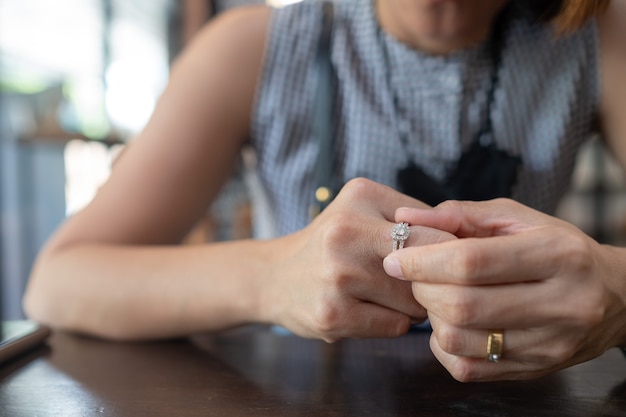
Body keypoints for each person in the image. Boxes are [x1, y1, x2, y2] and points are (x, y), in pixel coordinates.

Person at [23, 0, 626, 383]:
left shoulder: (599, 43)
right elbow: (58, 282)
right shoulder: (255, 46)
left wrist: (617, 291)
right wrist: (272, 275)